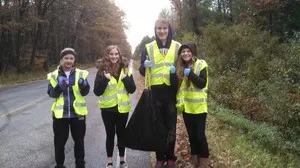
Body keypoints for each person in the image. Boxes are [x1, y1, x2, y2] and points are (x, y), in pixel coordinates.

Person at [139, 18, 181, 168]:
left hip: (171, 92)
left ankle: (170, 158)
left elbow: (183, 67)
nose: (162, 31)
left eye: (164, 28)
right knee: (157, 127)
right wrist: (144, 66)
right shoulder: (148, 47)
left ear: (169, 29)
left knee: (171, 127)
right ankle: (159, 158)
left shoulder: (177, 47)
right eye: (159, 28)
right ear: (155, 30)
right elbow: (142, 71)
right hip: (155, 92)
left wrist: (176, 73)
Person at [94, 45, 136, 168]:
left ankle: (122, 160)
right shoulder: (102, 71)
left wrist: (126, 80)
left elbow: (132, 89)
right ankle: (109, 161)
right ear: (107, 55)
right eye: (111, 54)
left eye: (116, 54)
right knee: (110, 135)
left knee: (121, 134)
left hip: (122, 109)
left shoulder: (126, 69)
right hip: (108, 109)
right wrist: (105, 80)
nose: (114, 56)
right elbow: (97, 91)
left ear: (119, 55)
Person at [47, 48, 90, 168]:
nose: (69, 61)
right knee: (59, 144)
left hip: (78, 115)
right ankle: (59, 165)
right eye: (66, 58)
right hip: (60, 116)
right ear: (62, 59)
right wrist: (58, 87)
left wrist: (83, 85)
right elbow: (51, 94)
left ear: (74, 60)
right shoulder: (54, 75)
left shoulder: (81, 73)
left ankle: (80, 165)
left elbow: (85, 92)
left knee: (79, 142)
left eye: (71, 58)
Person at [171, 42, 209, 168]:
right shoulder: (180, 68)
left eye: (188, 51)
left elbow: (202, 83)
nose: (186, 54)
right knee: (191, 135)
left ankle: (204, 161)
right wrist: (173, 74)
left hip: (199, 108)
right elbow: (176, 87)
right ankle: (194, 159)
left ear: (193, 52)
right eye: (183, 52)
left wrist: (191, 74)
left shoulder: (201, 64)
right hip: (187, 108)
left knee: (200, 135)